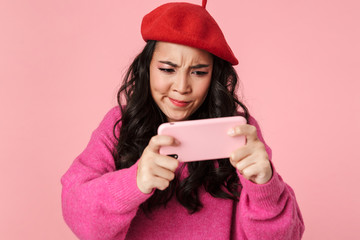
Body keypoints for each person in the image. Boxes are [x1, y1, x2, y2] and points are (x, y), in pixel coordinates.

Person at [61, 1, 305, 239]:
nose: (182, 87)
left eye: (199, 72)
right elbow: (78, 215)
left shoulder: (239, 131)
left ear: (214, 76)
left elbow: (288, 235)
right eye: (167, 69)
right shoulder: (120, 124)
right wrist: (134, 182)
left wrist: (265, 186)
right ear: (147, 69)